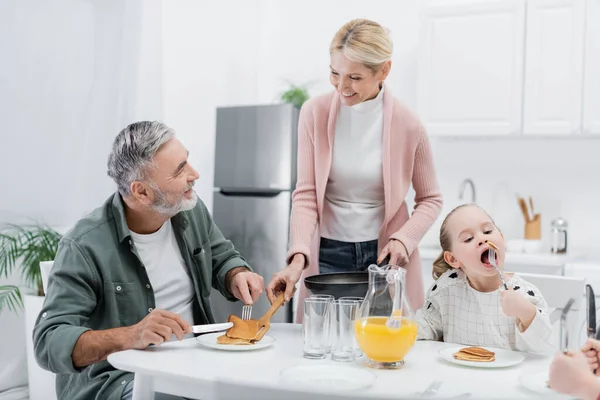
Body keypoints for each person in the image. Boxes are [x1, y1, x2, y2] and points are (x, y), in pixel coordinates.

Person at [33, 121, 265, 400]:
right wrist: (131, 335)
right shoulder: (83, 245)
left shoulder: (189, 208)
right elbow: (48, 342)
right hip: (120, 380)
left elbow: (222, 257)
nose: (195, 175)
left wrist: (236, 274)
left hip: (197, 362)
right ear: (141, 192)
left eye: (187, 161)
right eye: (180, 171)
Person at [266, 18, 442, 313]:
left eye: (355, 78)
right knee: (323, 345)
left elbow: (431, 199)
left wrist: (404, 240)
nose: (342, 86)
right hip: (327, 253)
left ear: (383, 70)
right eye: (335, 73)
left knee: (382, 348)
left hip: (385, 255)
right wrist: (298, 257)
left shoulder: (409, 125)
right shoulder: (314, 114)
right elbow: (306, 193)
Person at [417, 204, 554, 354]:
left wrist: (526, 313)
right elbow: (420, 333)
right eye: (469, 239)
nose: (482, 239)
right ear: (453, 259)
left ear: (501, 238)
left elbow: (543, 350)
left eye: (488, 231)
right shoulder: (446, 290)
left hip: (510, 377)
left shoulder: (525, 294)